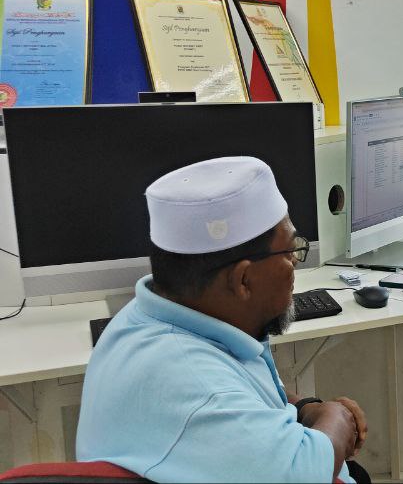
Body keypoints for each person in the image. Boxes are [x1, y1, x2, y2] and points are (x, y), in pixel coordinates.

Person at [77, 156, 370, 483]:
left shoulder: (145, 317)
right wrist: (336, 417)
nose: (294, 263)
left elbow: (238, 399)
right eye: (289, 251)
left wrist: (306, 408)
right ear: (243, 280)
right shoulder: (200, 387)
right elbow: (305, 472)